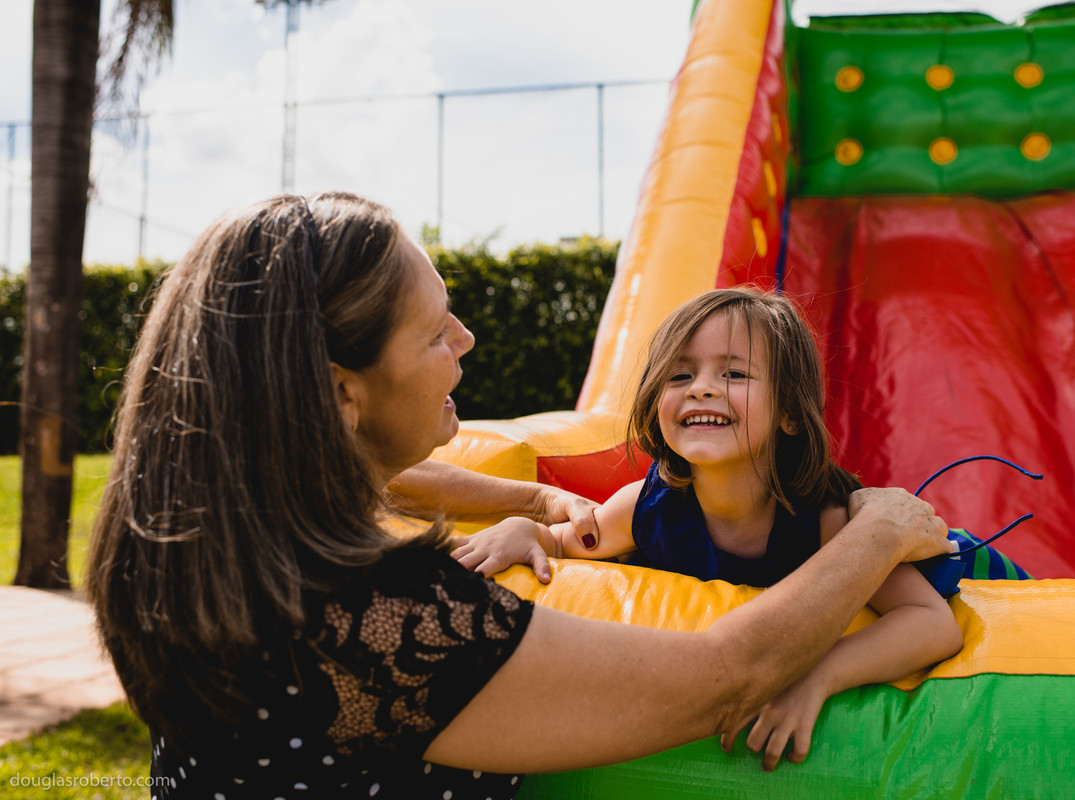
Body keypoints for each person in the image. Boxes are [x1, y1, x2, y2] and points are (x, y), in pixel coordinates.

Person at [87, 192, 953, 799]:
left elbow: (373, 471)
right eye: (436, 331)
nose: (465, 338)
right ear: (339, 398)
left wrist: (531, 508)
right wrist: (880, 534)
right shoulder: (391, 626)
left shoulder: (198, 556)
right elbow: (726, 677)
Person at [452, 287, 965, 770]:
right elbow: (564, 541)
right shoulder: (643, 508)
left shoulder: (829, 521)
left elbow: (931, 621)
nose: (700, 388)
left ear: (789, 411)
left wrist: (817, 674)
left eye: (734, 375)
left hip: (956, 554)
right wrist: (525, 529)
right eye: (679, 377)